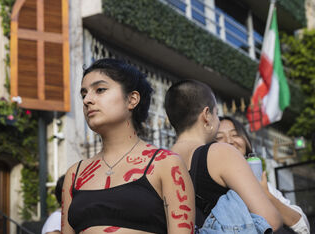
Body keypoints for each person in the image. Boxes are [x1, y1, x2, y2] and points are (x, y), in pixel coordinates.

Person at [61, 58, 195, 234]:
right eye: (84, 94)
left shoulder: (166, 163)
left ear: (132, 99)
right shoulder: (75, 174)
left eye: (100, 90)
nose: (87, 100)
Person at [164, 80, 282, 231]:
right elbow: (271, 221)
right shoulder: (220, 153)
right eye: (216, 114)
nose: (218, 120)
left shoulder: (159, 163)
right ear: (206, 115)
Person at [216, 116, 310, 234]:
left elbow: (302, 226)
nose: (229, 141)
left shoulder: (262, 182)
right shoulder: (211, 187)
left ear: (246, 141)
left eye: (235, 135)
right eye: (219, 137)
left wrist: (265, 193)